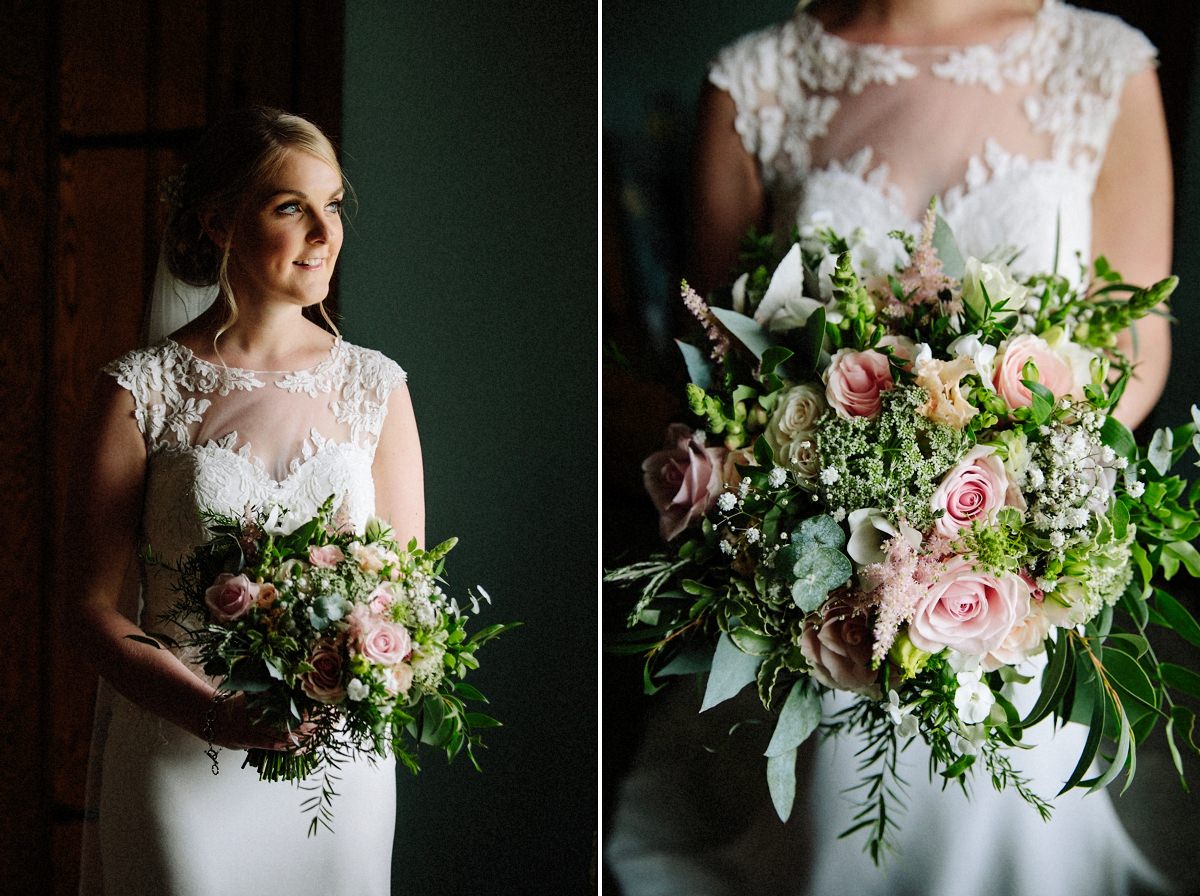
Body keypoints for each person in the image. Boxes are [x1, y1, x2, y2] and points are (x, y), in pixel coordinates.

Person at [607, 1, 1176, 894]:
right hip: (824, 566)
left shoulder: (1102, 62)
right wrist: (834, 509)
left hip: (1021, 543)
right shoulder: (755, 79)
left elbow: (1133, 343)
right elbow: (727, 354)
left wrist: (1025, 489)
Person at [71, 107, 423, 895]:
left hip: (335, 771)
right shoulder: (141, 391)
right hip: (183, 757)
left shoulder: (377, 388)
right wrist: (211, 713)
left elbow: (402, 589)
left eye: (332, 205)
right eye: (291, 207)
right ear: (220, 221)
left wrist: (357, 668)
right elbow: (90, 609)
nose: (324, 233)